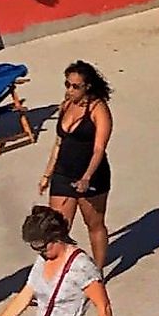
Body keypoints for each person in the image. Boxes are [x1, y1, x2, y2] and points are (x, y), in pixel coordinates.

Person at [41, 61, 115, 268]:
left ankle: (98, 272)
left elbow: (99, 148)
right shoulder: (66, 105)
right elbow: (58, 142)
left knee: (94, 224)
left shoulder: (99, 109)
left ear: (87, 86)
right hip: (63, 174)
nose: (70, 90)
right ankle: (55, 275)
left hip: (92, 176)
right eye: (67, 84)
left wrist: (86, 177)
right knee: (54, 229)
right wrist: (47, 174)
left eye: (75, 86)